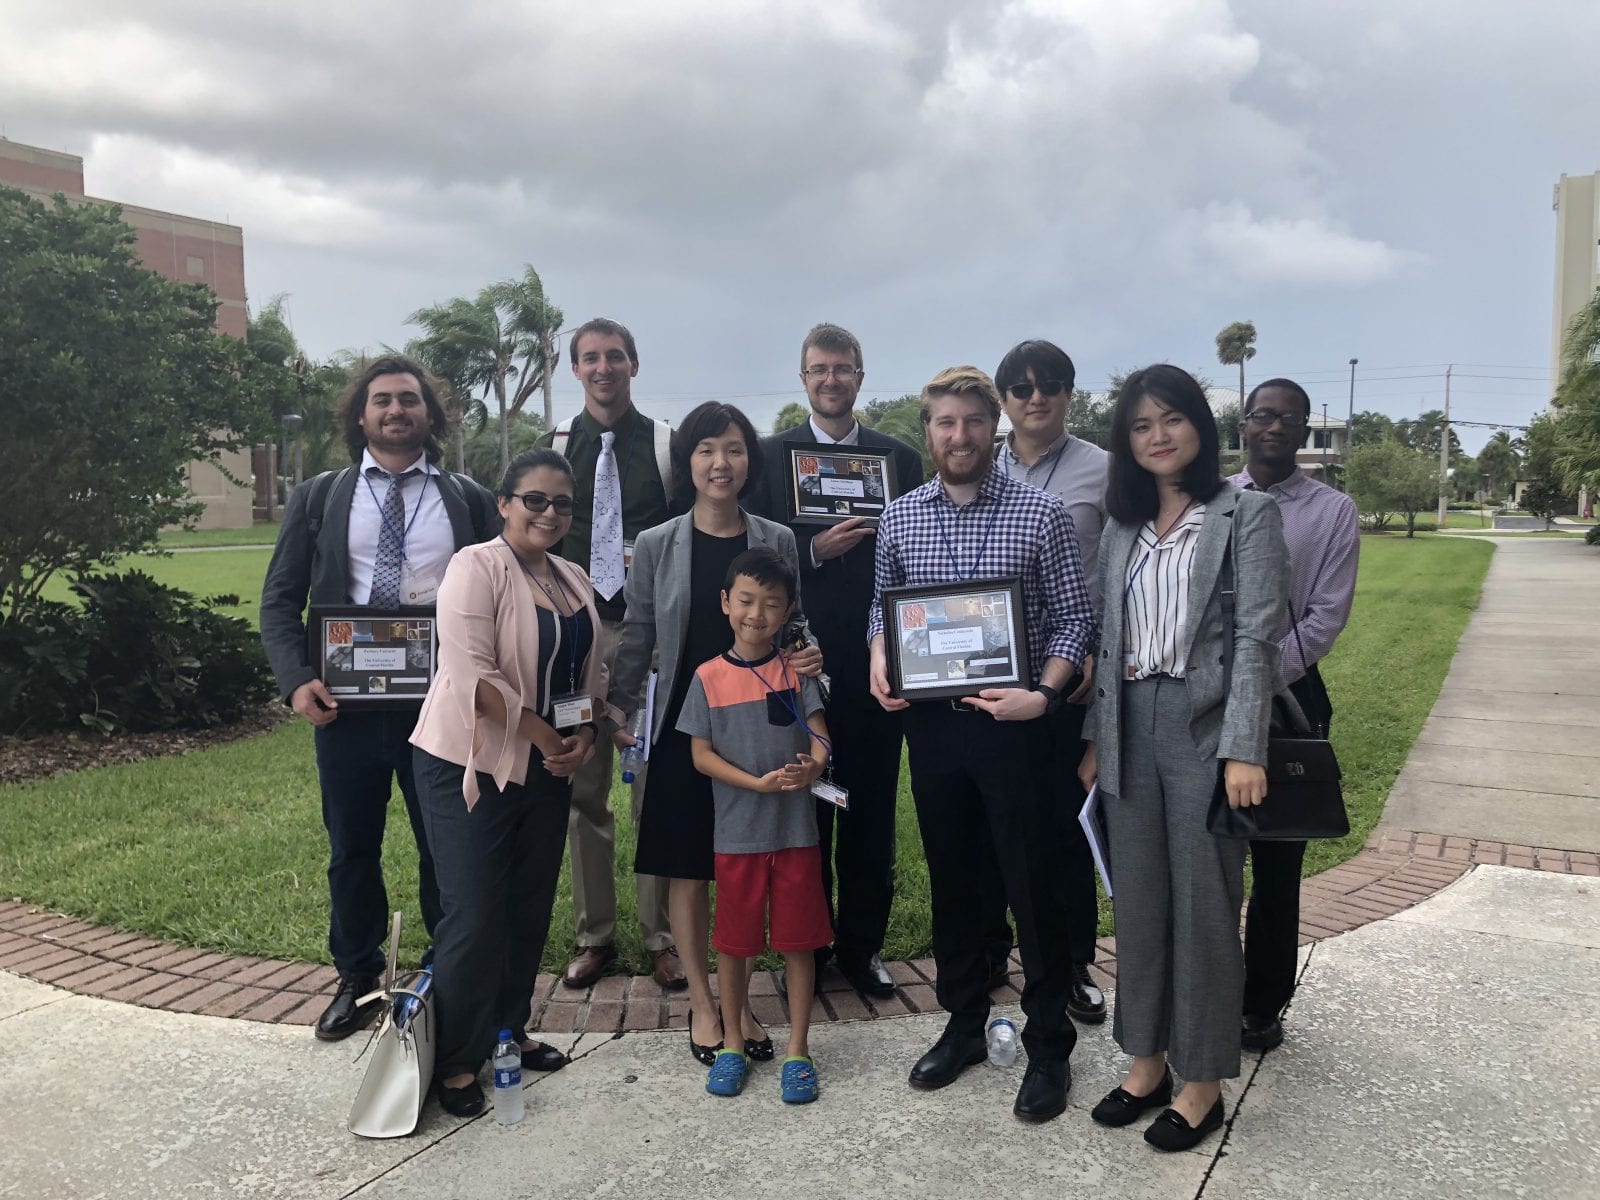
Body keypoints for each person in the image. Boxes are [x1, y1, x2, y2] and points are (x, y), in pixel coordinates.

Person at [867, 366, 1094, 1124]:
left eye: (971, 421)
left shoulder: (1042, 513)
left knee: (1033, 883)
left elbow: (1074, 619)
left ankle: (1049, 1044)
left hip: (1017, 724)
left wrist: (1047, 694)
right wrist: (878, 654)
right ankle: (963, 1024)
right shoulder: (900, 518)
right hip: (935, 729)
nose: (958, 436)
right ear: (927, 431)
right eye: (945, 423)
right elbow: (882, 611)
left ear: (993, 426)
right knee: (955, 880)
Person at [1078, 364, 1287, 1152]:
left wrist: (1244, 747)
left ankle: (1202, 1084)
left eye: (1171, 419)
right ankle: (1146, 1063)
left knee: (1204, 908)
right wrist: (1095, 738)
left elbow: (1256, 637)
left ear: (1200, 424)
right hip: (1128, 723)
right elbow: (1108, 641)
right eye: (1140, 426)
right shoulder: (1122, 526)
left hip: (1206, 730)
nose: (1157, 436)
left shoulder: (1245, 513)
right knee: (1137, 903)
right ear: (1125, 442)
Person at [259, 355, 499, 1042]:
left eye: (410, 400)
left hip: (440, 706)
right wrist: (295, 680)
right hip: (346, 709)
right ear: (361, 416)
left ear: (430, 415)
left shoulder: (467, 499)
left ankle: (446, 978)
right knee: (352, 848)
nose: (397, 410)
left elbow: (499, 594)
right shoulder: (320, 497)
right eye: (383, 400)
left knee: (444, 849)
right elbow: (279, 600)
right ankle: (357, 976)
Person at [610, 401, 822, 1068]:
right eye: (705, 449)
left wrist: (811, 655)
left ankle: (740, 1006)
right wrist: (619, 711)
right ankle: (704, 1003)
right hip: (685, 723)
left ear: (749, 461)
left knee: (748, 864)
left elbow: (795, 625)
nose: (719, 462)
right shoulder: (657, 543)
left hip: (758, 726)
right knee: (689, 864)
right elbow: (639, 633)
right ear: (688, 462)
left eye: (733, 448)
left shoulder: (776, 538)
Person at [409, 448, 603, 1117]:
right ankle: (457, 1059)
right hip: (470, 762)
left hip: (547, 767)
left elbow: (589, 673)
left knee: (527, 906)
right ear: (504, 504)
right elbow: (474, 675)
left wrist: (585, 735)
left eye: (562, 504)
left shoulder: (572, 577)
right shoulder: (475, 567)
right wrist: (547, 737)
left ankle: (506, 1032)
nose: (549, 513)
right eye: (535, 500)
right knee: (474, 913)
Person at [751, 322, 924, 999]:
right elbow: (755, 558)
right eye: (819, 369)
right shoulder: (771, 458)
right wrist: (812, 552)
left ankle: (862, 946)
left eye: (843, 368)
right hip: (796, 666)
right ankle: (809, 947)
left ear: (859, 377)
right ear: (804, 378)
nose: (831, 379)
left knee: (869, 810)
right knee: (805, 809)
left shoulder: (898, 458)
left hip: (879, 664)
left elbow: (916, 552)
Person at [536, 318, 683, 992]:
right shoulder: (555, 447)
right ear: (575, 369)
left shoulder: (665, 445)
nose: (604, 368)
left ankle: (662, 938)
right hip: (578, 638)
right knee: (584, 790)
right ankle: (594, 934)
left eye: (615, 356)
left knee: (653, 788)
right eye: (591, 358)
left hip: (647, 638)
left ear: (634, 364)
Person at [1232, 378, 1360, 1053]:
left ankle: (1262, 1004)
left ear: (1305, 430)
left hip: (1289, 698)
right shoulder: (1211, 499)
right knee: (1212, 858)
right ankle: (1210, 990)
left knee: (1278, 865)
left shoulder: (1333, 511)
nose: (1275, 426)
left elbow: (1324, 619)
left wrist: (1249, 678)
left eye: (1289, 418)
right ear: (1244, 425)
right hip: (1208, 696)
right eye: (1263, 415)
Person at [679, 546, 833, 1103]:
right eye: (746, 601)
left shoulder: (797, 672)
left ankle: (798, 1049)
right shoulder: (707, 677)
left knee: (798, 942)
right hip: (737, 835)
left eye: (771, 604)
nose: (756, 614)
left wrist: (814, 766)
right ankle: (732, 1043)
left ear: (788, 609)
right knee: (734, 943)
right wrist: (755, 784)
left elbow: (820, 736)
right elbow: (700, 756)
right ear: (726, 602)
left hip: (796, 833)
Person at [987, 338, 1109, 1024]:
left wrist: (1097, 656)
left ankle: (1072, 963)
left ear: (1068, 393)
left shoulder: (1104, 471)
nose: (1036, 398)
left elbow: (1121, 574)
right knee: (995, 823)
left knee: (1064, 827)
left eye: (1050, 385)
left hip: (1071, 678)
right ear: (1004, 399)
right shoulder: (982, 465)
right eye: (1022, 387)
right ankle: (996, 951)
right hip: (988, 679)